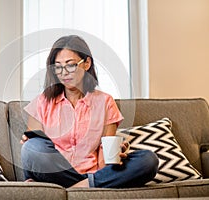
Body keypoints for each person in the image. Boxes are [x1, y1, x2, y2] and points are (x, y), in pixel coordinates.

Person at [20, 35, 158, 188]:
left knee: (148, 160)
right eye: (58, 67)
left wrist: (115, 154)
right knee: (31, 148)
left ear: (86, 63)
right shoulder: (43, 101)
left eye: (70, 65)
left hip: (94, 173)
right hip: (57, 173)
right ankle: (88, 187)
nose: (64, 72)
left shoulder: (105, 102)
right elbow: (33, 149)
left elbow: (105, 154)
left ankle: (78, 188)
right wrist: (30, 142)